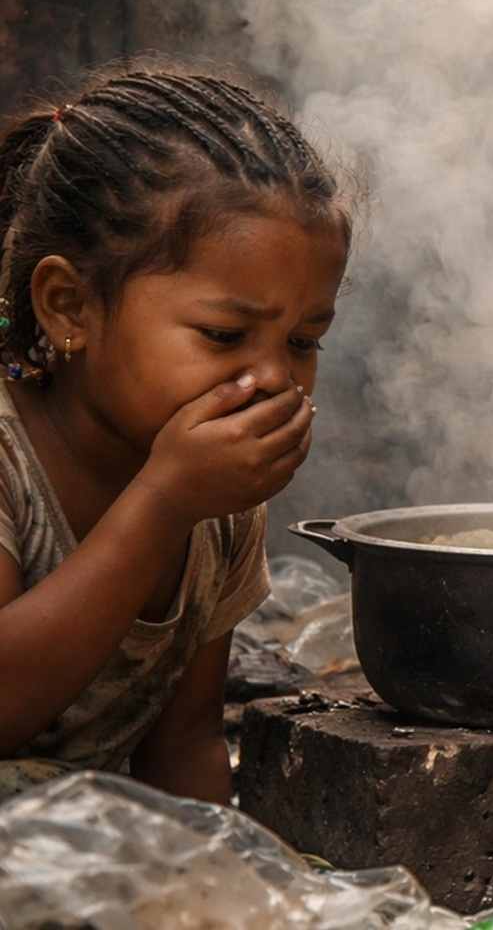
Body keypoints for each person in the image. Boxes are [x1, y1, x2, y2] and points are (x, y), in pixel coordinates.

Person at [0, 68, 351, 804]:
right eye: (225, 335)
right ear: (70, 307)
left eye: (302, 341)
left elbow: (184, 744)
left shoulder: (216, 505)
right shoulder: (14, 460)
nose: (273, 379)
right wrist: (161, 504)